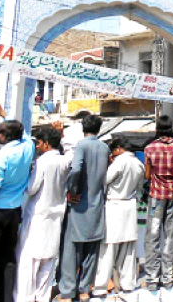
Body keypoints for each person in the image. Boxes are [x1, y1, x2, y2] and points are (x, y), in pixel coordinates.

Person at [0, 113, 35, 302]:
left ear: (4, 136)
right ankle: (6, 295)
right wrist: (4, 114)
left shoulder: (3, 155)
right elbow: (25, 133)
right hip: (15, 209)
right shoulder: (28, 147)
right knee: (8, 254)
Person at [16, 125, 72, 302]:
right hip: (55, 215)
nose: (37, 147)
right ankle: (42, 297)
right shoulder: (64, 161)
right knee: (48, 261)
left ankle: (25, 298)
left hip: (38, 215)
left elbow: (31, 189)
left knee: (28, 262)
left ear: (46, 144)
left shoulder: (42, 162)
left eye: (38, 143)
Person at [58, 114, 109, 302]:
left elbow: (77, 168)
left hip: (80, 204)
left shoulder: (82, 145)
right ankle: (85, 290)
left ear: (83, 128)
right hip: (97, 204)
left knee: (72, 251)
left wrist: (72, 189)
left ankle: (67, 292)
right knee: (91, 252)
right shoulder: (104, 148)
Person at [93, 136, 144, 297]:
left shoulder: (119, 162)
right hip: (130, 205)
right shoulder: (138, 164)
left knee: (108, 249)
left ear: (118, 149)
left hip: (114, 205)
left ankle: (100, 287)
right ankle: (128, 284)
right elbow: (140, 188)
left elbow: (105, 180)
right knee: (128, 249)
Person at [143, 115, 173, 290]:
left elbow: (147, 175)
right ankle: (167, 277)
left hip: (156, 196)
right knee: (170, 236)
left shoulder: (150, 148)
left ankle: (152, 278)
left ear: (158, 129)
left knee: (152, 237)